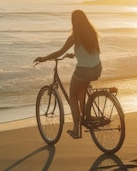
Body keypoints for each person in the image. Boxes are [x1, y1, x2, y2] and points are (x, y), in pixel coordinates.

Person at [33, 10, 102, 139]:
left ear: (74, 21)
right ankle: (86, 116)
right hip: (97, 69)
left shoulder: (75, 36)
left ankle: (76, 129)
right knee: (81, 91)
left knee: (73, 97)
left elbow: (60, 52)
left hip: (83, 71)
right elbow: (93, 52)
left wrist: (44, 58)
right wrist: (76, 54)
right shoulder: (93, 33)